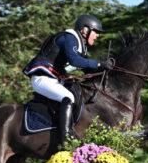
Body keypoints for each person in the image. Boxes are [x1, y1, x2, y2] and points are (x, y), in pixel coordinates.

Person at [23, 14, 114, 145]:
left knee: (78, 92)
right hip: (42, 78)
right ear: (85, 30)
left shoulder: (79, 44)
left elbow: (84, 67)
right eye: (96, 32)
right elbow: (75, 61)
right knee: (68, 97)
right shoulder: (69, 38)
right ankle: (66, 136)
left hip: (53, 79)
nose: (97, 36)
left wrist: (107, 68)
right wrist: (99, 64)